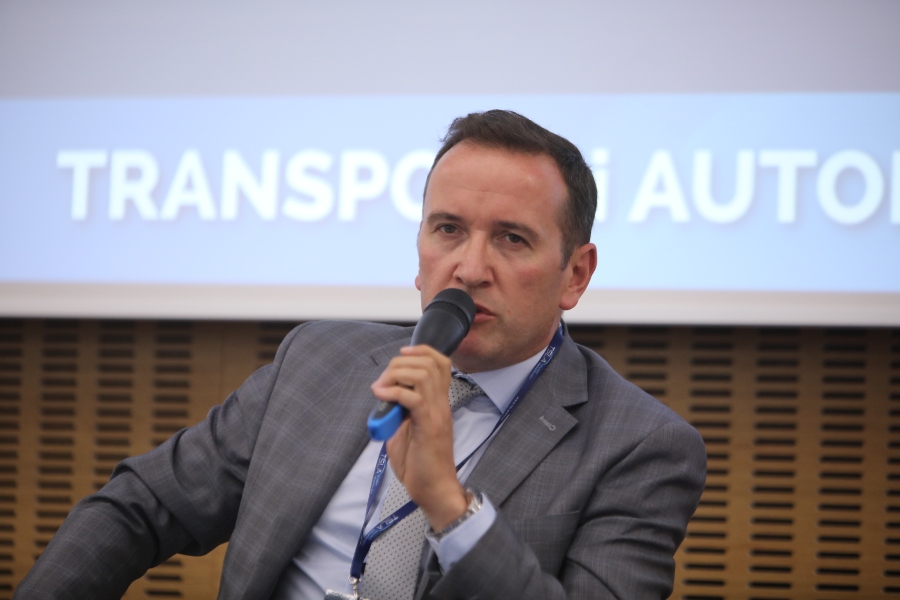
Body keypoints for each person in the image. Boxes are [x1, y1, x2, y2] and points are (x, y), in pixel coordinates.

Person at [15, 110, 706, 599]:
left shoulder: (640, 447)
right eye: (448, 229)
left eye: (512, 239)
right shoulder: (318, 361)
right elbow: (139, 506)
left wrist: (449, 506)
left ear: (575, 275)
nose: (469, 268)